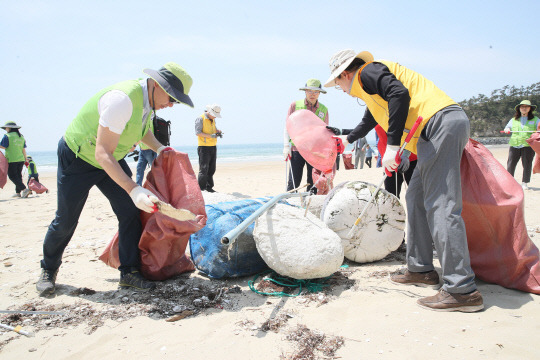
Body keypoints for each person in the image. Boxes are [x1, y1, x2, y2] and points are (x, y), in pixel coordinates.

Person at [325, 49, 483, 312]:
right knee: (416, 195)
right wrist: (348, 139)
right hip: (430, 130)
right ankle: (420, 269)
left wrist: (392, 146)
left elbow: (400, 94)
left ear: (345, 73)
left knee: (441, 204)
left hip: (439, 123)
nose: (339, 88)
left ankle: (461, 289)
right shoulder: (370, 90)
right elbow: (370, 120)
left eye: (337, 82)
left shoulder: (368, 72)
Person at [36, 62, 194, 295]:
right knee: (66, 220)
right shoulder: (122, 100)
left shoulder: (149, 103)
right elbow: (101, 153)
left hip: (111, 157)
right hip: (80, 157)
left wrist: (160, 148)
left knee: (130, 213)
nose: (171, 105)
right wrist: (133, 189)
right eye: (171, 98)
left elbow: (141, 131)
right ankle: (48, 269)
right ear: (156, 84)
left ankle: (129, 273)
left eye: (176, 102)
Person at [283, 79, 329, 193]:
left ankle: (310, 203)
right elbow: (287, 126)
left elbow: (325, 131)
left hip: (314, 151)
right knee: (293, 181)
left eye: (316, 92)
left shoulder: (323, 109)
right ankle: (289, 204)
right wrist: (286, 146)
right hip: (297, 149)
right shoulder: (295, 105)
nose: (312, 94)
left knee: (313, 180)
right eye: (309, 91)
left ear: (319, 93)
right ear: (305, 91)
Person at [503, 100, 540, 190]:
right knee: (511, 164)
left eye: (526, 107)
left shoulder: (535, 119)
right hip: (514, 144)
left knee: (527, 164)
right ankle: (510, 182)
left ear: (530, 108)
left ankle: (525, 183)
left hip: (528, 145)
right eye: (522, 107)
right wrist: (507, 129)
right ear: (519, 109)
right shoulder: (513, 119)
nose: (524, 108)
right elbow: (507, 127)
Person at [195, 104, 223, 193]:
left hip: (213, 146)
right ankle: (201, 188)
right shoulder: (200, 118)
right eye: (214, 115)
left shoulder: (213, 120)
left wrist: (217, 131)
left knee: (212, 168)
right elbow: (198, 132)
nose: (215, 117)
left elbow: (213, 129)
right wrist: (211, 136)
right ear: (209, 112)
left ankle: (209, 187)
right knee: (204, 168)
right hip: (203, 147)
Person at [0, 121, 31, 198]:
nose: (6, 129)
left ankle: (24, 189)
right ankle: (18, 193)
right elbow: (23, 149)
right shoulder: (21, 137)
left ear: (10, 128)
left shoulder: (7, 136)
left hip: (12, 159)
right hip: (20, 159)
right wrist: (26, 159)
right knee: (18, 176)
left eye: (6, 128)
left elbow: (3, 146)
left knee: (12, 176)